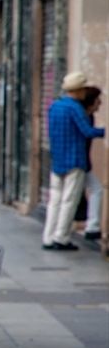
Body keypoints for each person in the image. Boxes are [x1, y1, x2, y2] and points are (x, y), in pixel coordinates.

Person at [42, 72, 105, 250]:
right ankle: (61, 238)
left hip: (57, 160)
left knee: (54, 201)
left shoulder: (55, 106)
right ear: (78, 90)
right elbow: (87, 131)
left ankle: (48, 237)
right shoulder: (75, 108)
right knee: (69, 201)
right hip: (74, 159)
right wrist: (104, 131)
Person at [78, 85, 103, 242]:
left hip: (81, 162)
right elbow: (87, 134)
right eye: (98, 100)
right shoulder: (83, 116)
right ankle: (92, 226)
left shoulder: (88, 116)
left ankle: (91, 226)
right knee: (96, 189)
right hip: (77, 162)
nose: (100, 103)